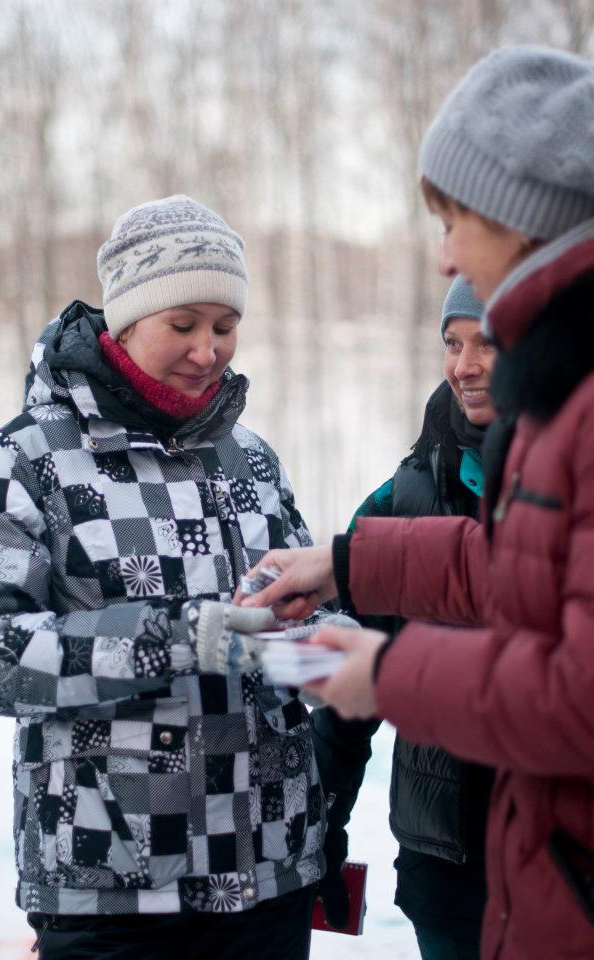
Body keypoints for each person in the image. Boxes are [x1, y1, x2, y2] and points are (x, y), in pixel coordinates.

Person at [241, 46, 594, 960]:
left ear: (521, 218)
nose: (445, 253)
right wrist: (347, 560)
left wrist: (388, 676)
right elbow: (516, 563)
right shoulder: (558, 392)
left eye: (453, 219)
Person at [0, 195, 329, 960]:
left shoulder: (249, 457)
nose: (208, 351)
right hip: (115, 886)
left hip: (269, 872)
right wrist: (173, 638)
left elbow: (305, 602)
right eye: (183, 325)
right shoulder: (28, 460)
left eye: (225, 327)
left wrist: (330, 645)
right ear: (123, 323)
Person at [313, 276, 495, 960]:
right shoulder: (408, 489)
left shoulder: (571, 482)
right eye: (453, 342)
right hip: (444, 866)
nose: (464, 365)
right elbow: (350, 679)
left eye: (489, 343)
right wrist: (322, 824)